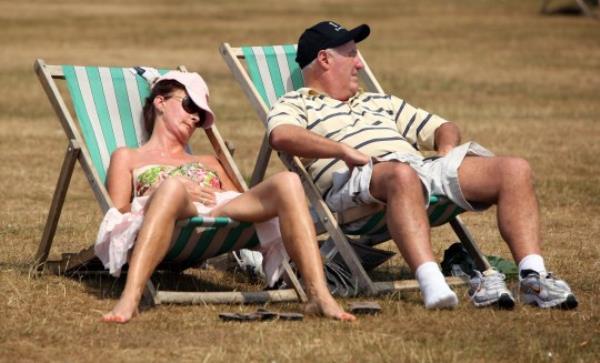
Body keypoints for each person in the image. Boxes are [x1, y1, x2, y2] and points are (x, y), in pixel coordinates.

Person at [267, 20, 577, 310]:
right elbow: (281, 135)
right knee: (401, 174)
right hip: (355, 184)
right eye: (352, 55)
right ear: (324, 59)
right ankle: (433, 284)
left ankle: (534, 278)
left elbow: (443, 126)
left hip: (417, 171)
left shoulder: (378, 101)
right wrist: (344, 151)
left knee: (513, 168)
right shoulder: (296, 103)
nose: (360, 63)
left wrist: (446, 148)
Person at [94, 69, 356, 323]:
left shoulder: (209, 160)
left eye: (200, 113)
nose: (196, 117)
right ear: (160, 102)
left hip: (219, 213)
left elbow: (240, 199)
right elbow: (117, 214)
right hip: (173, 211)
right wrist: (164, 191)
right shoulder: (128, 157)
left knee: (288, 181)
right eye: (189, 105)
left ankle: (318, 295)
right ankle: (131, 299)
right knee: (172, 187)